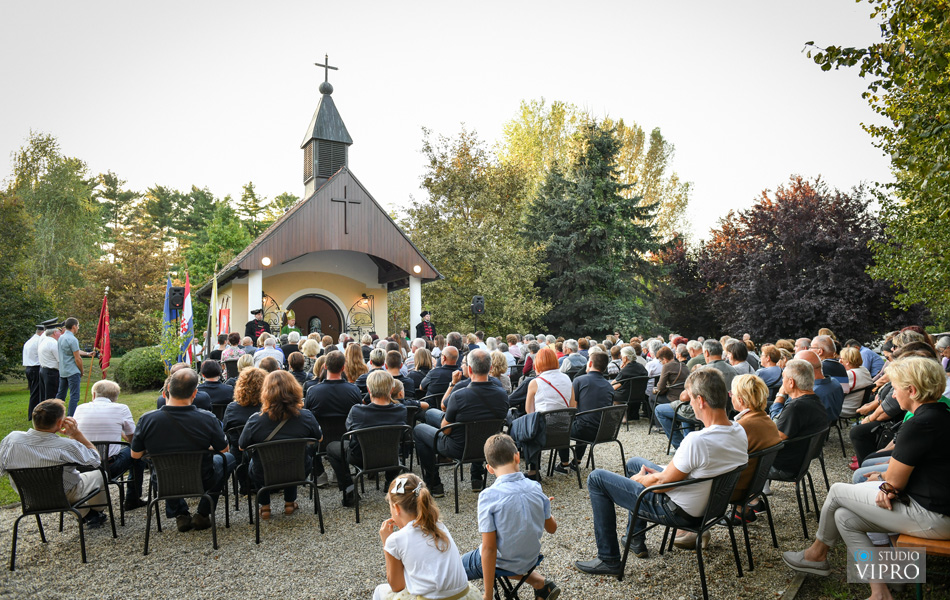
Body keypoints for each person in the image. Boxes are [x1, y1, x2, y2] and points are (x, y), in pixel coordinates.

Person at [782, 357, 950, 600]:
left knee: (838, 491)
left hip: (935, 516)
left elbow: (895, 481)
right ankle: (880, 591)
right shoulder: (941, 414)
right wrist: (886, 481)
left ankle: (816, 554)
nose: (892, 396)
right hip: (935, 507)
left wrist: (887, 484)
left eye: (895, 388)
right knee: (844, 517)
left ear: (911, 390)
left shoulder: (920, 424)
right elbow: (916, 470)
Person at [574, 369, 748, 573]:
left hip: (679, 511)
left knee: (596, 479)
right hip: (711, 507)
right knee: (634, 462)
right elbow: (685, 472)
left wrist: (641, 480)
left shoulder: (698, 441)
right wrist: (654, 475)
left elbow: (660, 485)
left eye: (690, 398)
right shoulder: (738, 430)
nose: (689, 403)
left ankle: (608, 559)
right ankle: (635, 539)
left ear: (700, 400)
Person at [131, 368, 236, 533]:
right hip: (203, 478)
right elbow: (223, 449)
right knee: (229, 458)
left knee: (167, 468)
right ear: (194, 394)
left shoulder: (147, 419)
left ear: (166, 392)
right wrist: (205, 448)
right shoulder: (207, 418)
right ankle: (203, 513)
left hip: (164, 480)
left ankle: (180, 514)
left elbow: (135, 455)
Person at [461, 434, 560, 600]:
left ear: (489, 469)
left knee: (453, 568)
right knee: (509, 557)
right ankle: (539, 583)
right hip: (529, 560)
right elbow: (552, 528)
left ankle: (539, 583)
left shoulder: (488, 496)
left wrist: (488, 594)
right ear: (517, 457)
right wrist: (545, 509)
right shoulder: (535, 487)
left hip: (504, 561)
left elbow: (489, 549)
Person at [0, 399, 108, 528]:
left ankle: (88, 514)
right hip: (64, 494)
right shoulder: (66, 446)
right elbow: (95, 460)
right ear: (59, 422)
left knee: (59, 486)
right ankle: (96, 512)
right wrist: (76, 434)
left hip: (30, 496)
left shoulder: (11, 440)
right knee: (101, 474)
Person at [415, 349, 509, 495]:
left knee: (419, 429)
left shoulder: (459, 395)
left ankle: (434, 484)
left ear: (469, 369)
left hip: (458, 448)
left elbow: (446, 430)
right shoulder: (502, 395)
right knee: (430, 414)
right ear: (490, 369)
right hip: (487, 445)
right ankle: (476, 479)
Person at [373, 473, 480, 600]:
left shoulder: (395, 540)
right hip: (464, 596)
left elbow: (397, 586)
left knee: (380, 591)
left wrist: (387, 544)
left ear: (396, 508)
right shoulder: (439, 526)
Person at [239, 371, 321, 520]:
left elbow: (241, 446)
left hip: (263, 473)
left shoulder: (255, 420)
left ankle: (265, 507)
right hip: (298, 469)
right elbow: (319, 439)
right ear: (294, 389)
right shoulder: (306, 416)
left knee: (255, 459)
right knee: (293, 457)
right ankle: (289, 503)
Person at [327, 370, 407, 507]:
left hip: (361, 458)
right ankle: (391, 480)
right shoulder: (401, 410)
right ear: (392, 389)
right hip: (391, 458)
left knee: (332, 448)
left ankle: (349, 491)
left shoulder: (357, 411)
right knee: (391, 444)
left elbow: (351, 432)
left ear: (368, 390)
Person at [74, 379, 147, 510]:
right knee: (137, 453)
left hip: (83, 466)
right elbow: (134, 440)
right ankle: (132, 498)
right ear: (115, 397)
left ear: (94, 395)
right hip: (110, 467)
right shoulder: (121, 408)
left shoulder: (80, 408)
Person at [721, 374, 781, 530]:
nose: (730, 397)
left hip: (736, 489)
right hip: (755, 487)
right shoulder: (768, 422)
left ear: (740, 400)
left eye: (731, 394)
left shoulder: (741, 427)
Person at [511, 348, 576, 481]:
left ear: (538, 363)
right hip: (563, 431)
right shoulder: (567, 379)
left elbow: (530, 412)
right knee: (558, 418)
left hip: (541, 435)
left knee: (527, 426)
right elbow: (572, 406)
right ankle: (564, 463)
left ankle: (533, 471)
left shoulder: (535, 382)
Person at [766, 359, 829, 481]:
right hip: (801, 463)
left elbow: (774, 438)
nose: (781, 382)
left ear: (791, 382)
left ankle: (754, 499)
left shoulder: (795, 407)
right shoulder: (815, 401)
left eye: (783, 377)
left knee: (743, 461)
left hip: (784, 467)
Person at [555, 352, 614, 474]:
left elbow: (572, 408)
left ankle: (564, 463)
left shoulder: (580, 380)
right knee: (586, 420)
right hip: (604, 432)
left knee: (560, 425)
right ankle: (577, 460)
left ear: (590, 363)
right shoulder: (609, 386)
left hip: (585, 431)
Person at [223, 367, 266, 489]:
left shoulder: (232, 408)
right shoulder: (269, 409)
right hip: (267, 459)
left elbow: (225, 430)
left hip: (240, 460)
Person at [56, 317, 94, 417]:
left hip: (63, 371)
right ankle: (71, 417)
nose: (78, 328)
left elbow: (74, 351)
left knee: (60, 395)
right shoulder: (72, 339)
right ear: (74, 326)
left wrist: (87, 353)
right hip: (72, 371)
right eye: (78, 326)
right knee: (74, 396)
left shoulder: (61, 338)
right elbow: (78, 359)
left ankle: (55, 415)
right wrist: (81, 371)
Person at [612, 345, 648, 421]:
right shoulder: (641, 367)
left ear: (625, 358)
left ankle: (622, 416)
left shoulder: (626, 370)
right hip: (640, 395)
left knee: (611, 393)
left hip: (625, 396)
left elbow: (613, 385)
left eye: (622, 356)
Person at [23, 322, 45, 421]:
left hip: (29, 368)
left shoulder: (30, 341)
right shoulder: (39, 341)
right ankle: (32, 415)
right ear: (42, 332)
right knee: (36, 393)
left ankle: (32, 413)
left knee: (33, 392)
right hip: (35, 368)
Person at [38, 322, 63, 407]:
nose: (61, 333)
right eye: (59, 331)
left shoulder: (44, 341)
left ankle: (44, 415)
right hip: (51, 372)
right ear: (55, 333)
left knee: (44, 397)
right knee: (51, 398)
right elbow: (60, 359)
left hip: (43, 370)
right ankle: (51, 416)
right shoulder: (53, 343)